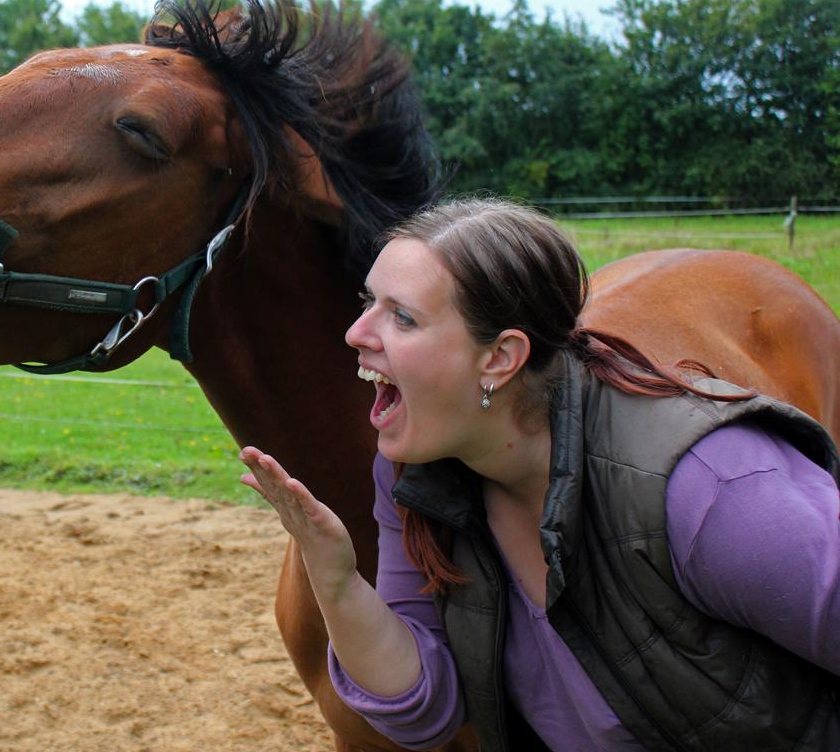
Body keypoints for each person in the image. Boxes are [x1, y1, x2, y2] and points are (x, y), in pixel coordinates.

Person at [239, 197, 840, 751]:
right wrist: (338, 578)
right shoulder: (412, 474)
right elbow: (423, 710)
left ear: (499, 359)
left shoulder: (710, 487)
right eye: (369, 302)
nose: (356, 333)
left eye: (403, 318)